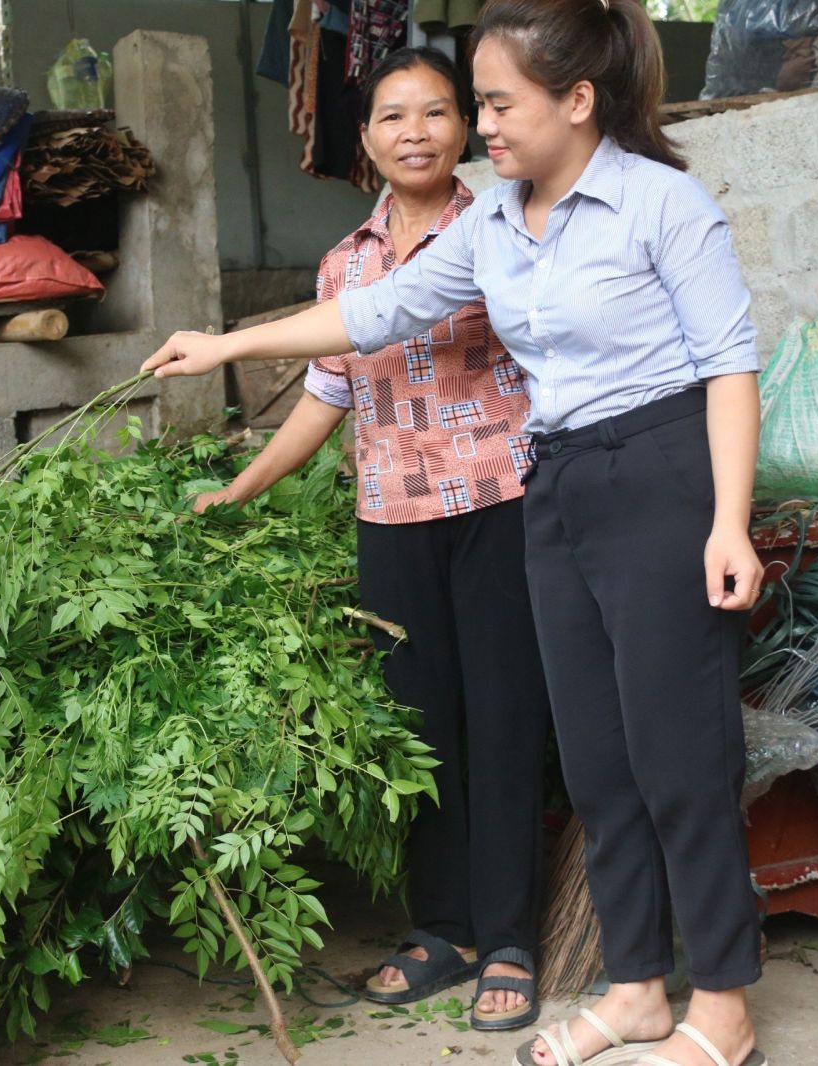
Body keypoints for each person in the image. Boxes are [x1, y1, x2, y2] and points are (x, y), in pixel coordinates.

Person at [143, 2, 770, 1065]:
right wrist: (223, 343)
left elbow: (729, 367)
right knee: (597, 763)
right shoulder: (493, 223)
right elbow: (374, 315)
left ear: (576, 100)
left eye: (493, 102)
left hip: (662, 475)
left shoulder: (661, 205)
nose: (480, 126)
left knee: (678, 757)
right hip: (559, 482)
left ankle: (723, 1004)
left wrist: (728, 523)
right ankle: (634, 988)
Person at [197, 45, 552, 1032]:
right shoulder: (343, 264)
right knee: (418, 729)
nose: (414, 133)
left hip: (496, 503)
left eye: (434, 113)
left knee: (504, 718)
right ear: (363, 140)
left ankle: (510, 935)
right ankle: (441, 927)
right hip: (390, 519)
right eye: (391, 117)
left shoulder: (503, 227)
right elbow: (322, 401)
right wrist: (242, 486)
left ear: (466, 127)